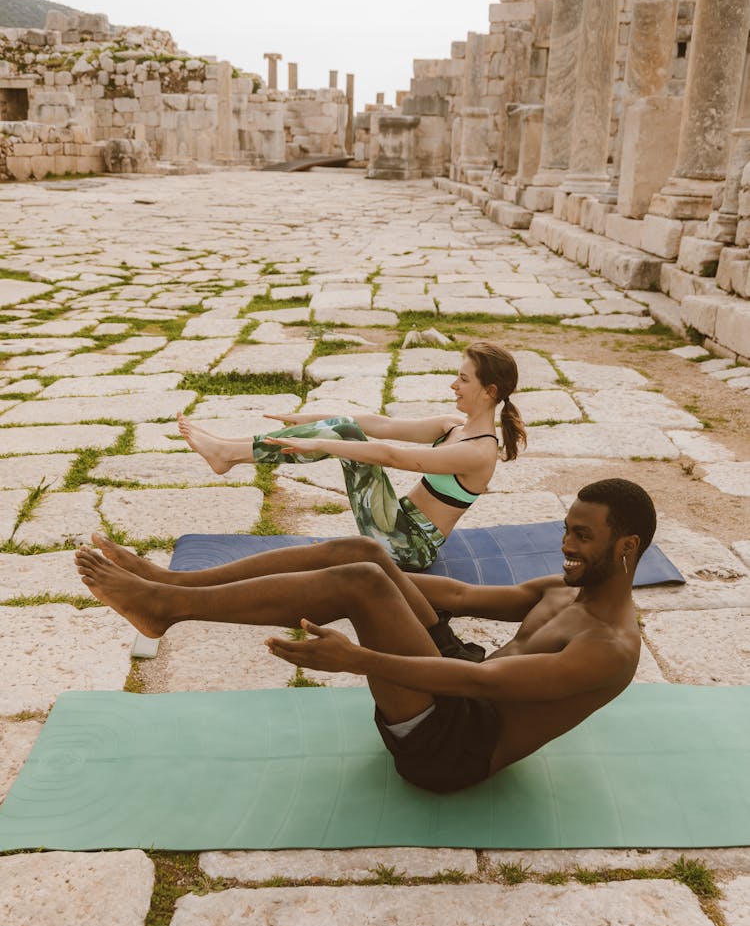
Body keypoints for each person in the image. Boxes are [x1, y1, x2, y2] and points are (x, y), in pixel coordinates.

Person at [76, 478, 656, 795]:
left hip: (453, 744)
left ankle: (166, 608)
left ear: (625, 547)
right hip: (460, 678)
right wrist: (396, 582)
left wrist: (359, 658)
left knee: (360, 585)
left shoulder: (610, 650)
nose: (566, 546)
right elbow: (455, 598)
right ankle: (173, 584)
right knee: (365, 555)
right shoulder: (561, 591)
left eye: (581, 536)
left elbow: (486, 679)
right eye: (566, 530)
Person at [176, 341, 526, 570]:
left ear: (488, 391)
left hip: (409, 548)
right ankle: (228, 450)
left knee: (344, 435)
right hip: (396, 523)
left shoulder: (479, 453)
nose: (453, 385)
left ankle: (227, 453)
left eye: (463, 380)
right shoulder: (453, 426)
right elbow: (382, 425)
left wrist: (324, 443)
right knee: (344, 427)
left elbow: (391, 456)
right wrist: (316, 420)